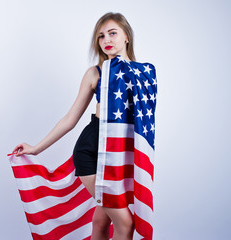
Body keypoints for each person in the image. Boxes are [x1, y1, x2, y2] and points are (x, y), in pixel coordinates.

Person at [13, 12, 140, 240]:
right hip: (90, 152)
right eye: (101, 36)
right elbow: (70, 119)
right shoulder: (95, 73)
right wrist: (36, 148)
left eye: (112, 33)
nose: (106, 40)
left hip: (119, 154)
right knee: (125, 223)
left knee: (102, 220)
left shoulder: (143, 74)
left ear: (126, 37)